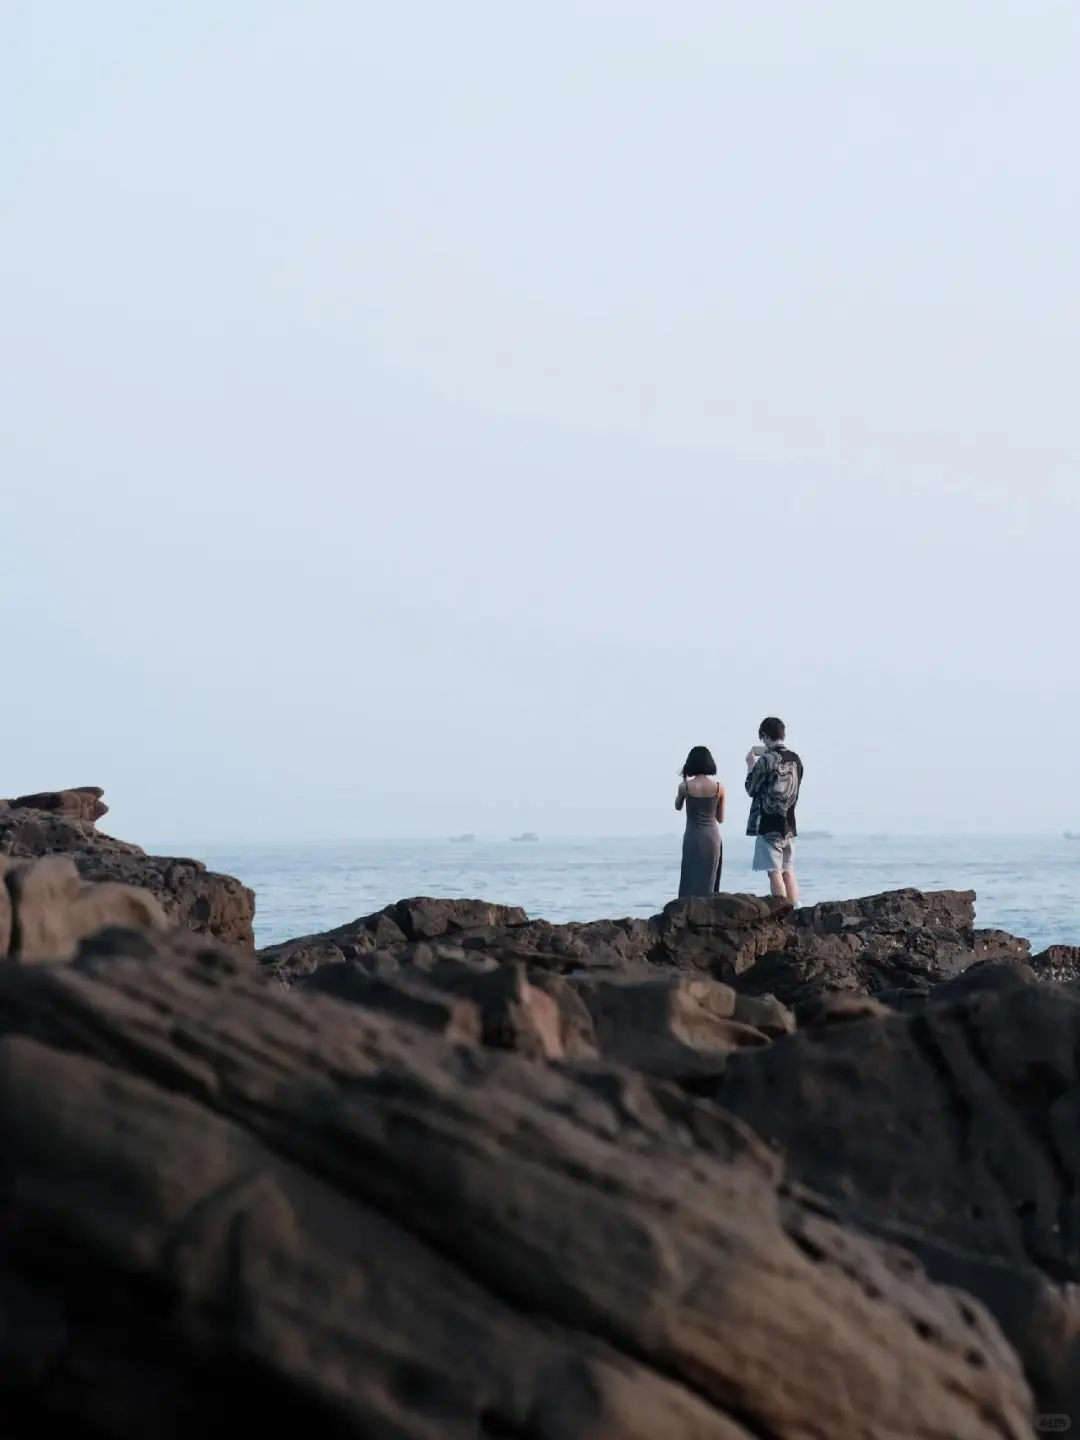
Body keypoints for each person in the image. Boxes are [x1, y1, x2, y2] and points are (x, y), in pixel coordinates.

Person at [744, 717, 803, 903]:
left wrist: (751, 765)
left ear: (764, 736)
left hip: (769, 824)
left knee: (774, 872)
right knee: (788, 870)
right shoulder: (796, 759)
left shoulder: (766, 760)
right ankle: (796, 911)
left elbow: (751, 789)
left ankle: (781, 912)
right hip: (790, 823)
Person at [675, 745, 725, 897]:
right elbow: (721, 818)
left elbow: (677, 806)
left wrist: (684, 780)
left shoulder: (685, 787)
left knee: (689, 878)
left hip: (693, 836)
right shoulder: (719, 788)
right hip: (712, 837)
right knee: (709, 880)